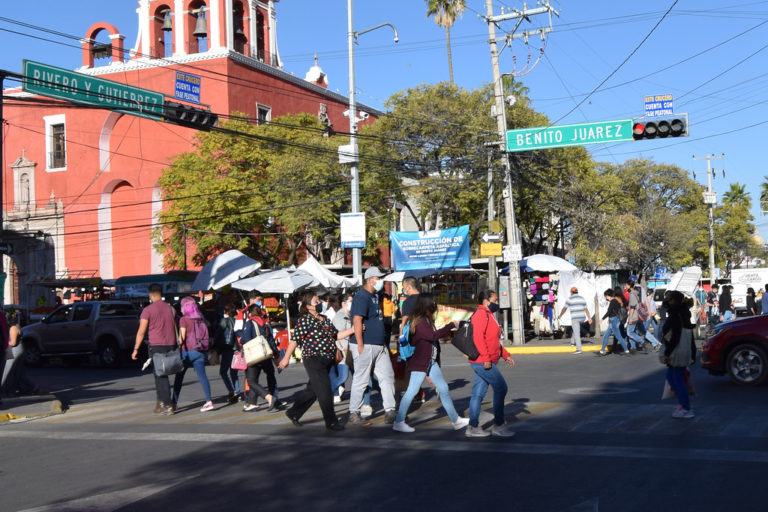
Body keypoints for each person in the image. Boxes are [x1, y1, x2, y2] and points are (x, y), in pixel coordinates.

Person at [392, 293, 469, 433]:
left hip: (430, 361)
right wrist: (451, 325)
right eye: (434, 302)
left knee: (443, 388)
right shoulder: (420, 321)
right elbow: (432, 336)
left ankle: (456, 420)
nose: (435, 305)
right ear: (427, 304)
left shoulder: (426, 320)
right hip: (420, 361)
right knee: (411, 391)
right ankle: (399, 422)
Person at [278, 291, 354, 431]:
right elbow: (295, 340)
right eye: (316, 302)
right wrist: (286, 358)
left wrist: (353, 329)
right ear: (308, 306)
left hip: (329, 360)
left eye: (319, 301)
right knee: (325, 390)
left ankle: (293, 413)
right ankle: (331, 422)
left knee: (312, 390)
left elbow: (336, 335)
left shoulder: (324, 319)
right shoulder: (305, 320)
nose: (319, 303)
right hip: (313, 359)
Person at [348, 267, 397, 426]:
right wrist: (360, 345)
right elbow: (357, 320)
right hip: (366, 345)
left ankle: (390, 410)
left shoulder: (374, 296)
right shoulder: (362, 297)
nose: (381, 281)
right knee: (361, 380)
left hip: (379, 345)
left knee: (387, 376)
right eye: (379, 278)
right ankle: (354, 412)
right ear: (370, 279)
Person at [465, 289, 516, 438]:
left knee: (478, 393)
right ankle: (499, 425)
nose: (497, 303)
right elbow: (478, 339)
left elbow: (493, 341)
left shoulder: (489, 315)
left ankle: (473, 426)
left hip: (485, 360)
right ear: (486, 301)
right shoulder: (481, 315)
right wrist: (487, 358)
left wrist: (505, 355)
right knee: (501, 388)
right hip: (483, 361)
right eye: (495, 300)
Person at [132, 283, 179, 415]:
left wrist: (136, 348)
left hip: (157, 346)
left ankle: (167, 404)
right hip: (171, 344)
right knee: (160, 374)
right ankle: (160, 403)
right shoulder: (171, 309)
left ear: (150, 295)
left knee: (161, 375)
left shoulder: (148, 310)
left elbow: (141, 331)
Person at [172, 296, 215, 412]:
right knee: (202, 377)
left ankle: (173, 403)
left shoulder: (184, 320)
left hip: (188, 352)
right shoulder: (200, 318)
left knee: (179, 378)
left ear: (185, 307)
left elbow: (181, 339)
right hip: (200, 350)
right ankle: (209, 401)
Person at [661, 291, 697, 418]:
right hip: (683, 350)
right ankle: (683, 404)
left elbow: (675, 337)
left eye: (669, 299)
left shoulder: (676, 315)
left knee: (677, 380)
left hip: (677, 351)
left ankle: (686, 408)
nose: (666, 301)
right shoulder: (683, 314)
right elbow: (690, 336)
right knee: (672, 378)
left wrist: (667, 353)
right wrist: (693, 352)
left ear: (675, 300)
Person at [241, 303, 278, 412]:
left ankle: (269, 397)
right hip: (266, 355)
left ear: (249, 313)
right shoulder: (265, 324)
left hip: (255, 355)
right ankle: (252, 403)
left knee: (251, 381)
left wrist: (240, 340)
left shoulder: (249, 323)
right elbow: (271, 340)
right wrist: (275, 354)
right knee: (269, 376)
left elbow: (246, 340)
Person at [1, 313, 38, 396]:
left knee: (9, 371)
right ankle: (29, 387)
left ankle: (5, 389)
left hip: (14, 351)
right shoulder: (17, 326)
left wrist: (4, 343)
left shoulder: (13, 328)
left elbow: (13, 343)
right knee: (18, 372)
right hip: (19, 350)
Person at [214, 303, 241, 403]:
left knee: (223, 371)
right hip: (237, 348)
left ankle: (231, 390)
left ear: (226, 312)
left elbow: (218, 334)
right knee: (234, 372)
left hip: (227, 348)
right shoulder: (237, 320)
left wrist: (214, 346)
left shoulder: (224, 320)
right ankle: (237, 392)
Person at [330, 292, 354, 403]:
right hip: (343, 352)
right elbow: (337, 336)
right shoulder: (340, 316)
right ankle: (327, 391)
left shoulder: (350, 315)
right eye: (351, 302)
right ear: (344, 303)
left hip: (351, 350)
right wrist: (342, 349)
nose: (353, 304)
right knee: (343, 377)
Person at [557, 287, 591, 354]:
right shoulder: (582, 298)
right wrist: (589, 318)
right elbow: (586, 309)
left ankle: (579, 349)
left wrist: (560, 315)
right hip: (582, 317)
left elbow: (564, 308)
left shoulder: (569, 299)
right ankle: (572, 342)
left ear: (571, 292)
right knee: (575, 329)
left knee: (577, 333)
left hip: (575, 318)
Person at [599, 289, 630, 356]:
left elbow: (609, 311)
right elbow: (614, 312)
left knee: (618, 336)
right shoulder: (616, 301)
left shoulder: (613, 301)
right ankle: (602, 350)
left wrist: (602, 319)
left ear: (608, 295)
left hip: (614, 321)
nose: (606, 298)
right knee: (606, 335)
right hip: (613, 320)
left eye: (606, 296)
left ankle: (626, 350)